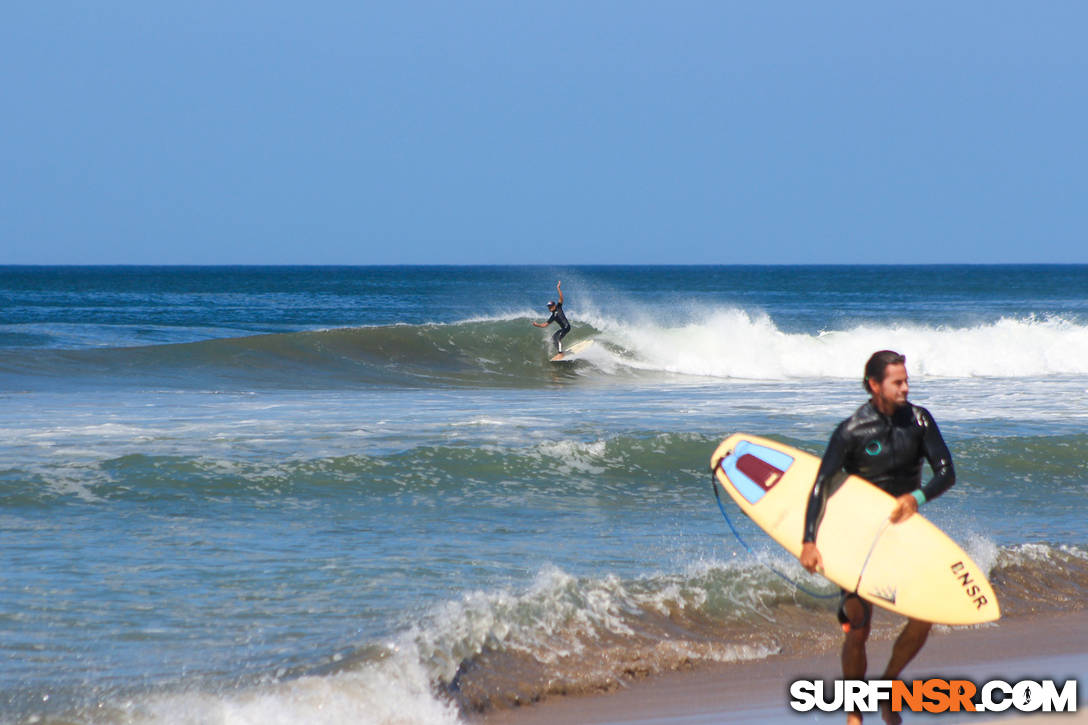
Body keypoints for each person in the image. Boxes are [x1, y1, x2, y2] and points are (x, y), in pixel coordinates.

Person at [800, 350, 955, 725]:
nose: (906, 388)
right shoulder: (852, 430)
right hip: (858, 539)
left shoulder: (919, 421)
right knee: (857, 626)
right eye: (897, 382)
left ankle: (887, 687)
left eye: (906, 381)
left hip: (904, 536)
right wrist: (809, 540)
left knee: (923, 618)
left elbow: (946, 472)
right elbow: (820, 485)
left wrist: (917, 499)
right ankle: (855, 709)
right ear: (874, 385)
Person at [531, 280, 571, 353]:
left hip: (567, 327)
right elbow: (545, 325)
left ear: (554, 305)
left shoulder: (558, 307)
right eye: (548, 307)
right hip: (563, 328)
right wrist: (537, 325)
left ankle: (560, 353)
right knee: (553, 338)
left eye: (550, 306)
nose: (549, 308)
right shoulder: (553, 316)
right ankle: (561, 351)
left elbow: (561, 298)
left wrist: (558, 288)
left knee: (558, 338)